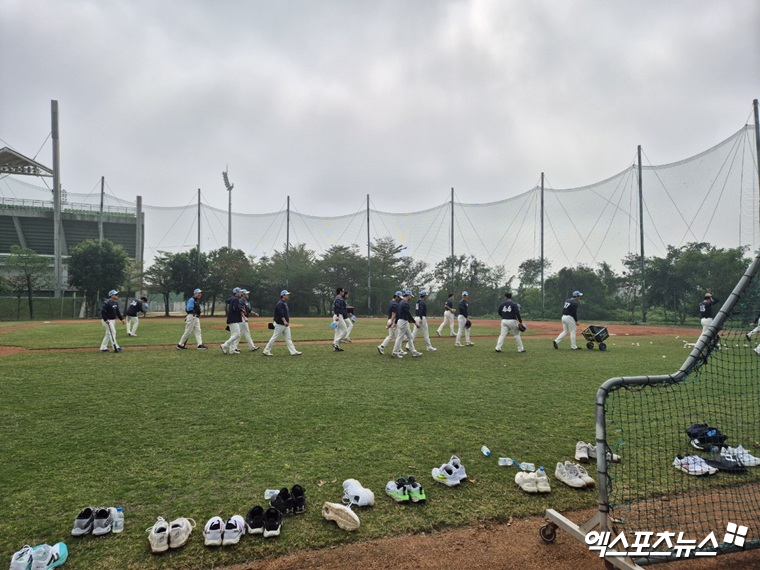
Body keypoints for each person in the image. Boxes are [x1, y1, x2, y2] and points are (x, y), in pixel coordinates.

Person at [263, 290, 302, 356]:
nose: (288, 296)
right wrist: (284, 321)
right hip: (280, 324)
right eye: (287, 295)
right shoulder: (280, 303)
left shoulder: (284, 303)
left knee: (288, 338)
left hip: (284, 324)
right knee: (274, 337)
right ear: (283, 296)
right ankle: (266, 351)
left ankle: (293, 351)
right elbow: (281, 314)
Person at [392, 290, 422, 358]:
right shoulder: (405, 303)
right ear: (408, 295)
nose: (411, 298)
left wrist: (396, 322)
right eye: (411, 296)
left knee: (410, 337)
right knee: (400, 337)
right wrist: (415, 322)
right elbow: (407, 313)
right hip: (403, 322)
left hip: (403, 321)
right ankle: (394, 352)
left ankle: (414, 351)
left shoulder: (401, 302)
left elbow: (399, 313)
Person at [221, 287, 245, 355]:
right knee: (237, 334)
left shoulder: (232, 299)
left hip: (231, 319)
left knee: (233, 335)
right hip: (233, 319)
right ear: (236, 292)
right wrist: (241, 309)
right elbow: (235, 308)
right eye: (240, 292)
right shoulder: (236, 299)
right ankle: (224, 345)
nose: (241, 293)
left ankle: (232, 350)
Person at [332, 287, 349, 352]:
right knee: (345, 331)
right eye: (342, 291)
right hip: (338, 316)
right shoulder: (339, 299)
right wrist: (338, 316)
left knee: (337, 332)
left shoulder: (338, 298)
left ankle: (336, 347)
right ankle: (335, 342)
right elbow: (337, 308)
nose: (343, 293)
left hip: (337, 315)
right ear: (340, 292)